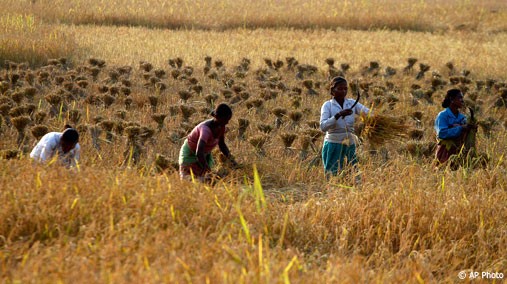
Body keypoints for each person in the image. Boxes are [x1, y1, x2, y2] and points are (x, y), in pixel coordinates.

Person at [320, 76, 370, 179]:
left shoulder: (351, 103)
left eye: (345, 88)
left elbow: (368, 113)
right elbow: (323, 126)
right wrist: (338, 115)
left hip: (349, 144)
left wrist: (377, 118)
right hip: (333, 145)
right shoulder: (327, 105)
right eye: (340, 89)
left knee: (353, 175)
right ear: (333, 90)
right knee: (333, 176)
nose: (343, 91)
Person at [178, 103, 237, 181]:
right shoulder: (205, 130)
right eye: (225, 119)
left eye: (228, 120)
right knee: (192, 181)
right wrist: (208, 170)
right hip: (190, 156)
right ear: (217, 117)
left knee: (207, 180)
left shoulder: (221, 127)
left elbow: (222, 144)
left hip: (203, 156)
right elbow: (199, 152)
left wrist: (231, 160)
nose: (227, 122)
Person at [434, 88, 476, 168]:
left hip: (460, 151)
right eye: (460, 98)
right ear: (452, 99)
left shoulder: (462, 117)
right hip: (445, 152)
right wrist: (460, 128)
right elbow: (442, 133)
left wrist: (471, 128)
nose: (462, 100)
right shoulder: (443, 116)